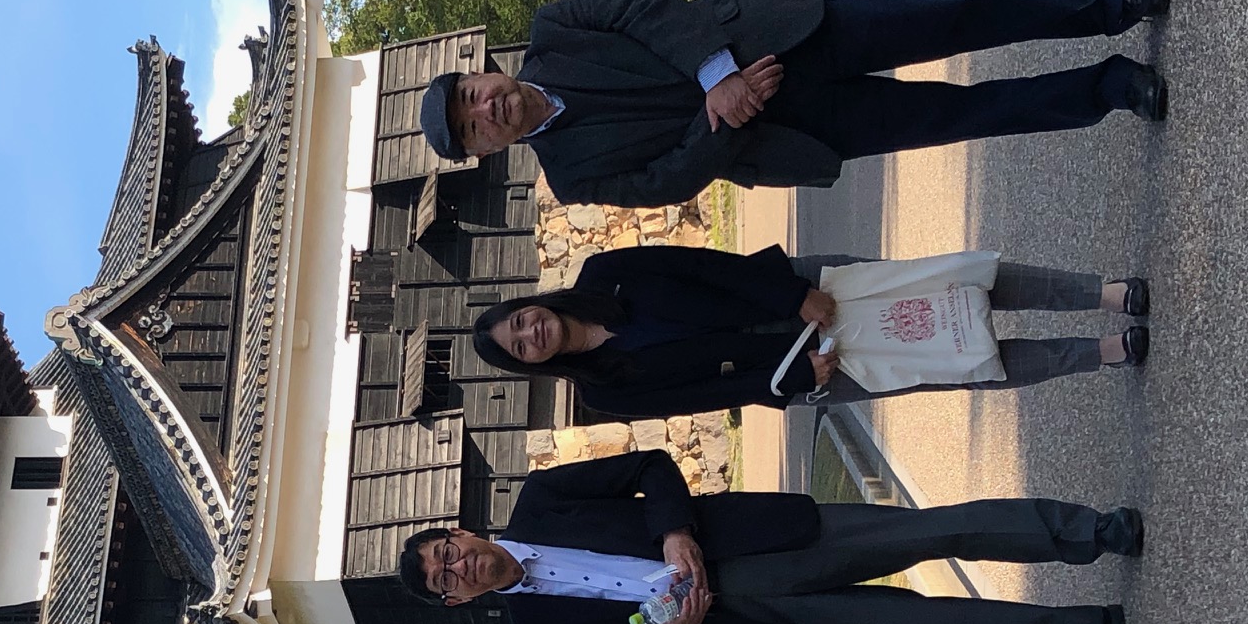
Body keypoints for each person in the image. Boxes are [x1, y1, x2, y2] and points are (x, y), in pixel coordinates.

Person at [396, 449, 1140, 624]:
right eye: (445, 580)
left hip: (759, 544)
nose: (456, 565)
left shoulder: (541, 500)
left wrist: (673, 530)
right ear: (458, 601)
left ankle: (1090, 531)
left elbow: (650, 467)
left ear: (461, 531)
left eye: (447, 551)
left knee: (928, 531)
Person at [416, 0, 1172, 206]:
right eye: (475, 126)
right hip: (789, 132)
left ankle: (1110, 3)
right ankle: (1107, 88)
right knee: (965, 113)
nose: (485, 108)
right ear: (488, 151)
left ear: (483, 71)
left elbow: (645, 10)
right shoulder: (573, 178)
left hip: (782, 35)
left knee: (960, 17)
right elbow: (668, 181)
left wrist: (720, 77)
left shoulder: (555, 28)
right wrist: (728, 113)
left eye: (472, 93)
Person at [471, 243, 1151, 416]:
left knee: (957, 286)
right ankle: (1099, 352)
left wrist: (792, 291)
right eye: (520, 347)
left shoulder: (604, 272)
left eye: (520, 321)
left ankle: (1103, 292)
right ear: (529, 364)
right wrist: (794, 381)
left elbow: (699, 264)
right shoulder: (605, 393)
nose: (531, 334)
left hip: (795, 287)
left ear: (530, 304)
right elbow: (708, 397)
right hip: (796, 369)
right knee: (953, 361)